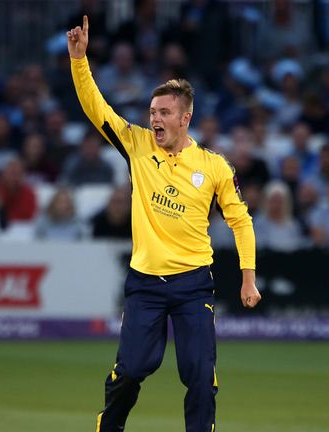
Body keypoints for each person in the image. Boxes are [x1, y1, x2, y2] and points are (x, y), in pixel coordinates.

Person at [68, 16, 260, 432]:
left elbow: (241, 221)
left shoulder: (214, 167)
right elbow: (97, 110)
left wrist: (248, 278)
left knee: (200, 379)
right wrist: (79, 62)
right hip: (145, 283)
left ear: (185, 119)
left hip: (193, 283)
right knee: (133, 368)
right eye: (152, 111)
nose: (155, 119)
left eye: (165, 113)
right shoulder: (137, 146)